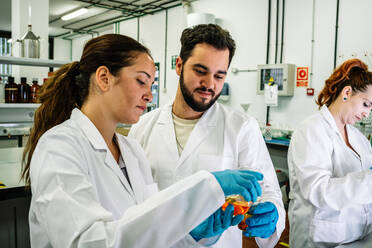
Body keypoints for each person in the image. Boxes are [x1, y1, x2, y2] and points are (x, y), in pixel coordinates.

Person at [20, 34, 265, 248]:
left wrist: (192, 234)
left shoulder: (131, 151)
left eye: (151, 84)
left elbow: (149, 234)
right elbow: (89, 242)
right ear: (104, 78)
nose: (149, 95)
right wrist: (204, 187)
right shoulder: (59, 148)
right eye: (141, 81)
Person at [129, 24, 285, 247]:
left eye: (219, 76)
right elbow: (131, 203)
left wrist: (273, 215)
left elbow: (268, 192)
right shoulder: (142, 128)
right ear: (179, 65)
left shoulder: (241, 127)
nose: (210, 84)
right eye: (200, 71)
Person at [287, 58, 372, 247]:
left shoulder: (358, 138)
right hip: (321, 238)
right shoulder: (311, 129)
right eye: (366, 104)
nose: (367, 113)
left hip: (359, 236)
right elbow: (318, 191)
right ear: (347, 92)